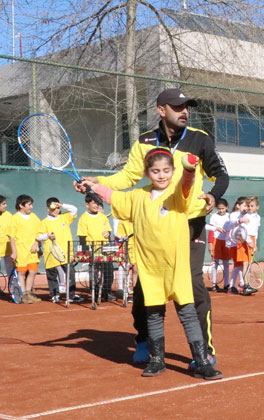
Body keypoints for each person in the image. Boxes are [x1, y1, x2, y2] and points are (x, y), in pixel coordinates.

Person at [74, 88, 230, 366]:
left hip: (189, 224)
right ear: (161, 110)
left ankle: (204, 350)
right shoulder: (144, 141)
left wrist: (212, 196)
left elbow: (221, 175)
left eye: (186, 107)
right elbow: (125, 178)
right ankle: (145, 341)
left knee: (194, 286)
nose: (184, 111)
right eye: (177, 107)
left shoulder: (199, 139)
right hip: (151, 228)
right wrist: (95, 180)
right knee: (145, 286)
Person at [82, 148, 222, 380]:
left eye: (167, 170)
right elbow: (112, 196)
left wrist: (188, 168)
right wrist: (91, 186)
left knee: (187, 313)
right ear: (147, 173)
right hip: (150, 269)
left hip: (176, 267)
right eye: (156, 171)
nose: (161, 175)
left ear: (173, 172)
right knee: (154, 314)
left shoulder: (177, 195)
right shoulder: (136, 197)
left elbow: (187, 184)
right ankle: (157, 360)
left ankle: (200, 361)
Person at [39, 198, 83, 303]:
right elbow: (38, 236)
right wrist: (47, 235)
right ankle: (54, 295)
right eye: (53, 208)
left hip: (66, 252)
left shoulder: (64, 218)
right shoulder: (44, 222)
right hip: (51, 253)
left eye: (58, 208)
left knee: (71, 273)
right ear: (47, 208)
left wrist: (61, 204)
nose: (56, 210)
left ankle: (71, 295)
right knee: (52, 274)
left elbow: (74, 209)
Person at [77, 194, 114, 302]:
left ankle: (106, 293)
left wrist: (108, 233)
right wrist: (85, 252)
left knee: (109, 272)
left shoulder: (103, 217)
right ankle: (96, 293)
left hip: (105, 250)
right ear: (87, 204)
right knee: (95, 274)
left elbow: (108, 231)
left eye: (97, 203)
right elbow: (82, 237)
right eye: (93, 203)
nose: (96, 205)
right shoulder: (83, 218)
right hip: (92, 251)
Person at [8, 194, 43, 304]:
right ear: (21, 205)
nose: (31, 207)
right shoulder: (14, 218)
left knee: (33, 271)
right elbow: (11, 236)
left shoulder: (34, 217)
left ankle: (28, 294)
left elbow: (40, 232)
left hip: (32, 251)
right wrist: (14, 252)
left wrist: (36, 244)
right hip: (21, 251)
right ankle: (23, 295)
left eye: (31, 204)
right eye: (29, 204)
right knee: (22, 273)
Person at [225, 197, 249, 295]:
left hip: (240, 243)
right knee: (238, 265)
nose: (246, 207)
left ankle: (240, 285)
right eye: (244, 205)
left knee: (241, 265)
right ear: (238, 205)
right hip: (232, 243)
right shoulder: (233, 215)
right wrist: (240, 220)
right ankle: (232, 286)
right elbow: (232, 224)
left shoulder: (245, 215)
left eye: (247, 206)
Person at [206, 198, 230, 292]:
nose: (221, 210)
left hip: (226, 242)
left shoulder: (229, 216)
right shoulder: (214, 217)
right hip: (216, 241)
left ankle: (226, 284)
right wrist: (210, 244)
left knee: (226, 264)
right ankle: (214, 284)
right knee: (215, 263)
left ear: (226, 207)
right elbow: (211, 231)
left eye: (223, 208)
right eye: (219, 209)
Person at [240, 196, 261, 295]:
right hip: (245, 240)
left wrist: (254, 244)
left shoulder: (258, 217)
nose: (249, 208)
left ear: (257, 207)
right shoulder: (246, 217)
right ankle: (245, 285)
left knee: (248, 263)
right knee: (245, 263)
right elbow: (243, 231)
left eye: (252, 206)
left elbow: (256, 232)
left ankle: (246, 285)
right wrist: (249, 241)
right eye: (248, 206)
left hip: (252, 240)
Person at [114, 219, 136, 302]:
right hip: (122, 243)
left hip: (132, 244)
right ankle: (120, 288)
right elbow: (116, 233)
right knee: (123, 265)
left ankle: (127, 288)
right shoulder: (118, 219)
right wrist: (123, 239)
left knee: (133, 268)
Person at [0, 195, 14, 290]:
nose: (6, 205)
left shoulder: (8, 215)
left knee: (11, 270)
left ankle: (13, 289)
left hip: (8, 248)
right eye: (3, 204)